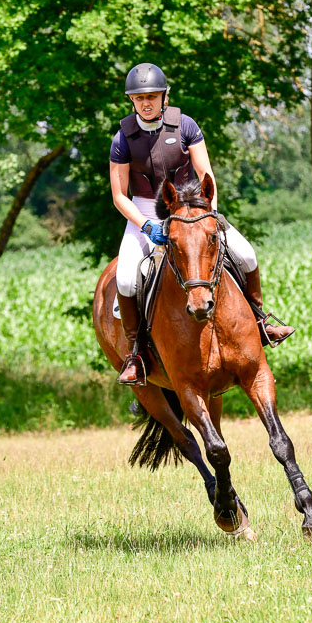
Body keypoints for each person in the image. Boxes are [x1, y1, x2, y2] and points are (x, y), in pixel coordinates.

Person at [110, 63, 294, 385]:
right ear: (132, 101)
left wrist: (209, 214)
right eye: (139, 98)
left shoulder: (186, 126)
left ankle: (260, 322)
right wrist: (146, 226)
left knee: (246, 254)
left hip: (192, 207)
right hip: (144, 211)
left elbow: (206, 175)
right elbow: (118, 196)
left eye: (152, 96)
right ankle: (136, 353)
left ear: (164, 96)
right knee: (126, 279)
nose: (146, 103)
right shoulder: (122, 138)